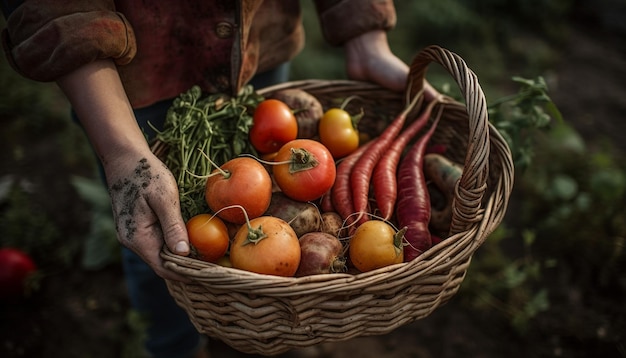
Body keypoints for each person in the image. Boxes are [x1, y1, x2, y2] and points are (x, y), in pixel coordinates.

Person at [2, 1, 436, 357]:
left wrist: (363, 31)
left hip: (258, 44)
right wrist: (121, 151)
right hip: (126, 81)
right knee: (155, 236)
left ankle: (277, 333)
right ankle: (174, 347)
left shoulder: (288, 161)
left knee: (199, 219)